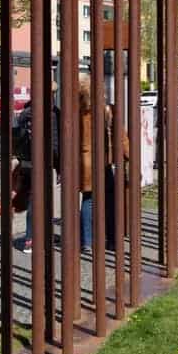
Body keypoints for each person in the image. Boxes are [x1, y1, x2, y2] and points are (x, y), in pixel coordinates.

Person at [78, 81, 129, 253]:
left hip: (85, 161)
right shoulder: (107, 110)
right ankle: (112, 239)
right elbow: (120, 137)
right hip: (103, 160)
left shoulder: (79, 112)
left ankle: (87, 241)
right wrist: (128, 155)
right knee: (110, 200)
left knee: (88, 200)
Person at [13, 94, 60, 254]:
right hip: (43, 162)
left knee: (34, 199)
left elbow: (17, 138)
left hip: (26, 162)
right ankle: (32, 239)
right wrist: (59, 166)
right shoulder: (53, 113)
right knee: (41, 200)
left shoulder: (26, 112)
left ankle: (32, 237)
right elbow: (55, 143)